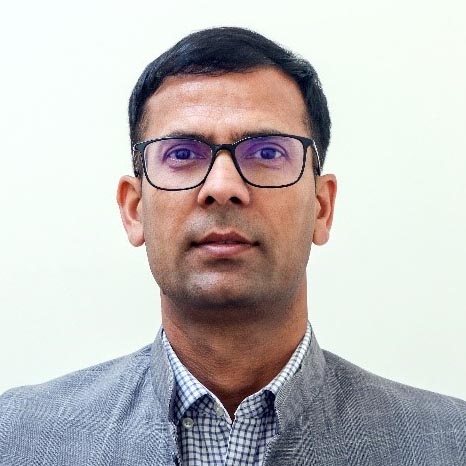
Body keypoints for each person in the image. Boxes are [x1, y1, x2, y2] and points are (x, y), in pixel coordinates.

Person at [0, 26, 465, 466]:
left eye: (266, 153)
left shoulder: (448, 442)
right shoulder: (19, 436)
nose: (222, 186)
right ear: (134, 209)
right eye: (181, 154)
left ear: (321, 207)